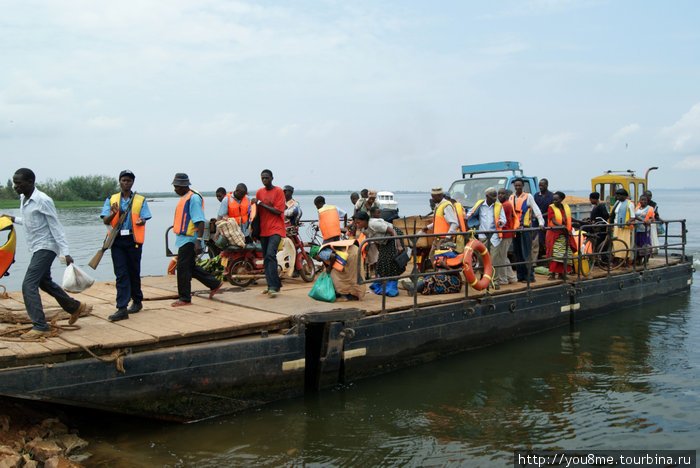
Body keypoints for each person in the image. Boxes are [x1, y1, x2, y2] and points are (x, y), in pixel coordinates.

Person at [1, 168, 91, 339]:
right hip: (36, 247)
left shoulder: (43, 200)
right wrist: (13, 219)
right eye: (14, 183)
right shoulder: (24, 198)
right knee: (44, 282)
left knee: (28, 285)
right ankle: (74, 307)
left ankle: (40, 326)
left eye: (18, 183)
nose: (15, 186)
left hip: (46, 247)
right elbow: (30, 222)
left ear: (30, 182)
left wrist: (65, 252)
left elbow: (55, 226)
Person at [100, 170, 151, 322]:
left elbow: (144, 217)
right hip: (117, 241)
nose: (126, 183)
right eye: (123, 180)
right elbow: (105, 220)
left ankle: (137, 300)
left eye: (129, 180)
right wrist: (114, 213)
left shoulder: (140, 200)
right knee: (121, 274)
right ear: (119, 181)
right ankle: (122, 308)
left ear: (132, 182)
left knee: (134, 271)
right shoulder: (111, 199)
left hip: (133, 240)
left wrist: (142, 221)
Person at [171, 173, 223, 306]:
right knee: (190, 267)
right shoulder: (185, 197)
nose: (175, 189)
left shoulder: (193, 198)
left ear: (184, 186)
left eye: (177, 187)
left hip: (190, 239)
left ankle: (185, 298)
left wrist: (198, 241)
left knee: (182, 268)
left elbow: (200, 221)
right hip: (183, 238)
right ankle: (214, 283)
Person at [253, 169, 286, 297]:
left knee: (270, 255)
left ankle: (273, 286)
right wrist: (254, 231)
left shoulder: (278, 192)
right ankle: (272, 285)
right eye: (262, 178)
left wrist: (261, 203)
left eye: (266, 177)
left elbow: (278, 211)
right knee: (266, 258)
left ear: (272, 178)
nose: (264, 180)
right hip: (263, 230)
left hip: (276, 229)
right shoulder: (259, 193)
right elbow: (256, 214)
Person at [465, 187, 506, 289]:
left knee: (494, 260)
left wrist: (501, 222)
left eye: (495, 196)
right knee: (482, 259)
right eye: (493, 196)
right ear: (487, 196)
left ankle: (494, 281)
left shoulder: (498, 206)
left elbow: (503, 219)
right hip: (483, 235)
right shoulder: (480, 205)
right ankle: (484, 277)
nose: (495, 198)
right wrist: (471, 222)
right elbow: (469, 214)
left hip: (495, 236)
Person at [509, 178, 545, 282]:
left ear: (522, 186)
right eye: (516, 186)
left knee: (526, 254)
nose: (517, 187)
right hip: (515, 230)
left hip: (525, 229)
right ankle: (520, 276)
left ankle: (529, 277)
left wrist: (541, 222)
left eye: (519, 185)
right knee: (518, 254)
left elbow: (536, 209)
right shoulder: (511, 197)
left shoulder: (528, 197)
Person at [353, 211, 405, 278]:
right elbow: (374, 239)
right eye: (356, 223)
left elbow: (392, 231)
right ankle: (383, 279)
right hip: (384, 239)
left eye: (358, 223)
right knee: (381, 260)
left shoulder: (373, 224)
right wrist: (379, 250)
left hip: (394, 235)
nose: (357, 225)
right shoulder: (363, 229)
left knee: (390, 259)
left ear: (365, 220)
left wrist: (399, 245)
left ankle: (392, 280)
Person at [420, 187, 459, 265]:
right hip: (437, 238)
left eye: (433, 197)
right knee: (432, 256)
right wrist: (427, 227)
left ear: (439, 196)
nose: (432, 199)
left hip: (444, 238)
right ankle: (437, 273)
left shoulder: (446, 206)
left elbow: (454, 223)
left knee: (442, 259)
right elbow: (439, 222)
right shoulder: (438, 206)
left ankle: (443, 275)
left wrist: (448, 237)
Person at [546, 191, 577, 280]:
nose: (554, 201)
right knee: (555, 254)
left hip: (566, 234)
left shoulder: (565, 207)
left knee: (566, 254)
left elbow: (569, 218)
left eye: (557, 200)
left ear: (561, 200)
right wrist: (561, 226)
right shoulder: (551, 208)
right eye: (553, 200)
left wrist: (581, 222)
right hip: (555, 235)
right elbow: (553, 220)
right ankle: (552, 274)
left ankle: (562, 274)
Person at [496, 188, 518, 285]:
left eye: (502, 194)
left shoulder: (505, 205)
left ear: (507, 195)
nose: (500, 195)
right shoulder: (505, 205)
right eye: (499, 193)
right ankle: (511, 277)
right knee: (504, 256)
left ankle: (503, 279)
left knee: (501, 257)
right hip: (505, 234)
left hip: (505, 234)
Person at [608, 188, 635, 265]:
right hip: (617, 226)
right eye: (617, 195)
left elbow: (633, 216)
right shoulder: (617, 202)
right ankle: (616, 259)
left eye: (619, 195)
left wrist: (629, 221)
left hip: (624, 228)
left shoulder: (629, 203)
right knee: (616, 243)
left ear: (624, 196)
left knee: (624, 243)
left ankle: (625, 260)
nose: (618, 197)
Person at [532, 178, 553, 263]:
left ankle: (549, 261)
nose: (540, 187)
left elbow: (552, 211)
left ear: (546, 185)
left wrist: (540, 215)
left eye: (542, 185)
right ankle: (534, 262)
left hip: (547, 222)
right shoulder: (536, 195)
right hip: (537, 223)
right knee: (535, 242)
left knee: (547, 242)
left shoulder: (551, 196)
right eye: (539, 185)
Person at [633, 194, 655, 265]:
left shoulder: (650, 208)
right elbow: (634, 216)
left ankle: (646, 260)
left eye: (645, 200)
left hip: (645, 229)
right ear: (639, 200)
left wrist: (648, 221)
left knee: (646, 244)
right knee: (638, 244)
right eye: (642, 200)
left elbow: (652, 218)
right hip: (637, 229)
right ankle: (638, 259)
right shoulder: (637, 208)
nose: (643, 201)